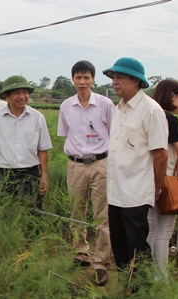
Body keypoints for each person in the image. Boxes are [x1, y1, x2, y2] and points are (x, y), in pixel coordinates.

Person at [102, 57, 168, 273]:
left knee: (137, 247)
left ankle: (142, 290)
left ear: (137, 81)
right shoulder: (118, 109)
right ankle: (125, 287)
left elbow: (161, 155)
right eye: (114, 77)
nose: (114, 81)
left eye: (120, 77)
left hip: (136, 193)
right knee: (119, 244)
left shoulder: (151, 110)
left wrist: (156, 187)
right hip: (115, 191)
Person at [58, 60, 114, 286]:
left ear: (93, 79)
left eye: (86, 77)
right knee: (76, 213)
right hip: (75, 165)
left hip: (100, 164)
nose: (82, 82)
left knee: (102, 216)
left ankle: (100, 263)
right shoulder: (65, 106)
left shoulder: (105, 104)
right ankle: (81, 253)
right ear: (72, 79)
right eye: (78, 77)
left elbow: (114, 134)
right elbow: (66, 134)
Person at [0, 75, 52, 216]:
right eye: (17, 92)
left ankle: (32, 238)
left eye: (25, 92)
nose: (22, 96)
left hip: (31, 174)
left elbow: (42, 150)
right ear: (7, 96)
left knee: (33, 215)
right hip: (4, 175)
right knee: (4, 215)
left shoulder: (37, 118)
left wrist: (44, 176)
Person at [147, 79, 178, 281]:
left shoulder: (152, 115)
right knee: (164, 231)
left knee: (150, 229)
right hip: (167, 182)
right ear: (172, 96)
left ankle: (146, 272)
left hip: (149, 180)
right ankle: (161, 277)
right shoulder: (170, 119)